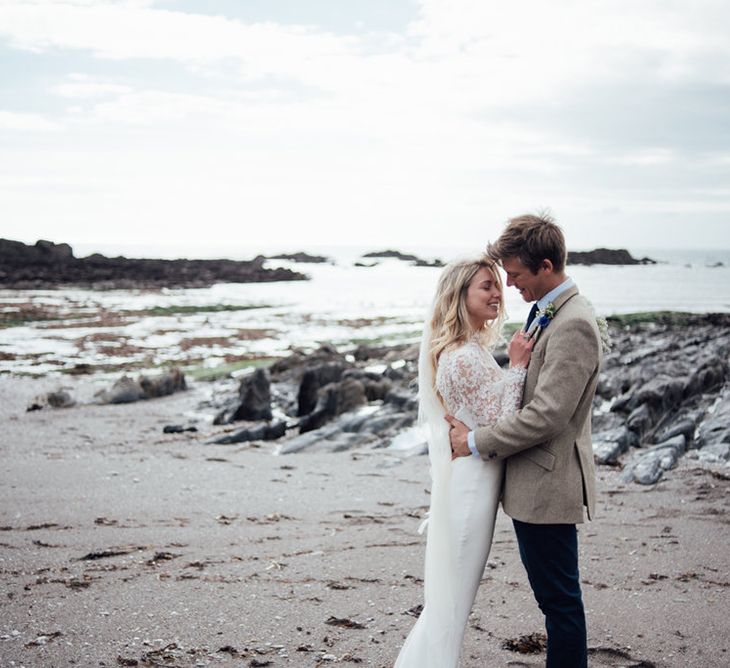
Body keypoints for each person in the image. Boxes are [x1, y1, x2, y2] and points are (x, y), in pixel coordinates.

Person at [447, 213, 601, 668]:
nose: (510, 285)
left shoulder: (573, 323)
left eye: (515, 275)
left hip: (548, 485)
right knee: (555, 600)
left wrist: (476, 442)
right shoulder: (550, 310)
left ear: (546, 266)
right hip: (533, 481)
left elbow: (549, 414)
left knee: (560, 604)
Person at [395, 256, 533, 667]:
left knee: (451, 603)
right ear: (460, 297)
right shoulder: (463, 356)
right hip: (472, 487)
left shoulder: (466, 349)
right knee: (451, 605)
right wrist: (519, 367)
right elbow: (504, 423)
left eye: (497, 284)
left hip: (474, 481)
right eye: (486, 286)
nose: (497, 293)